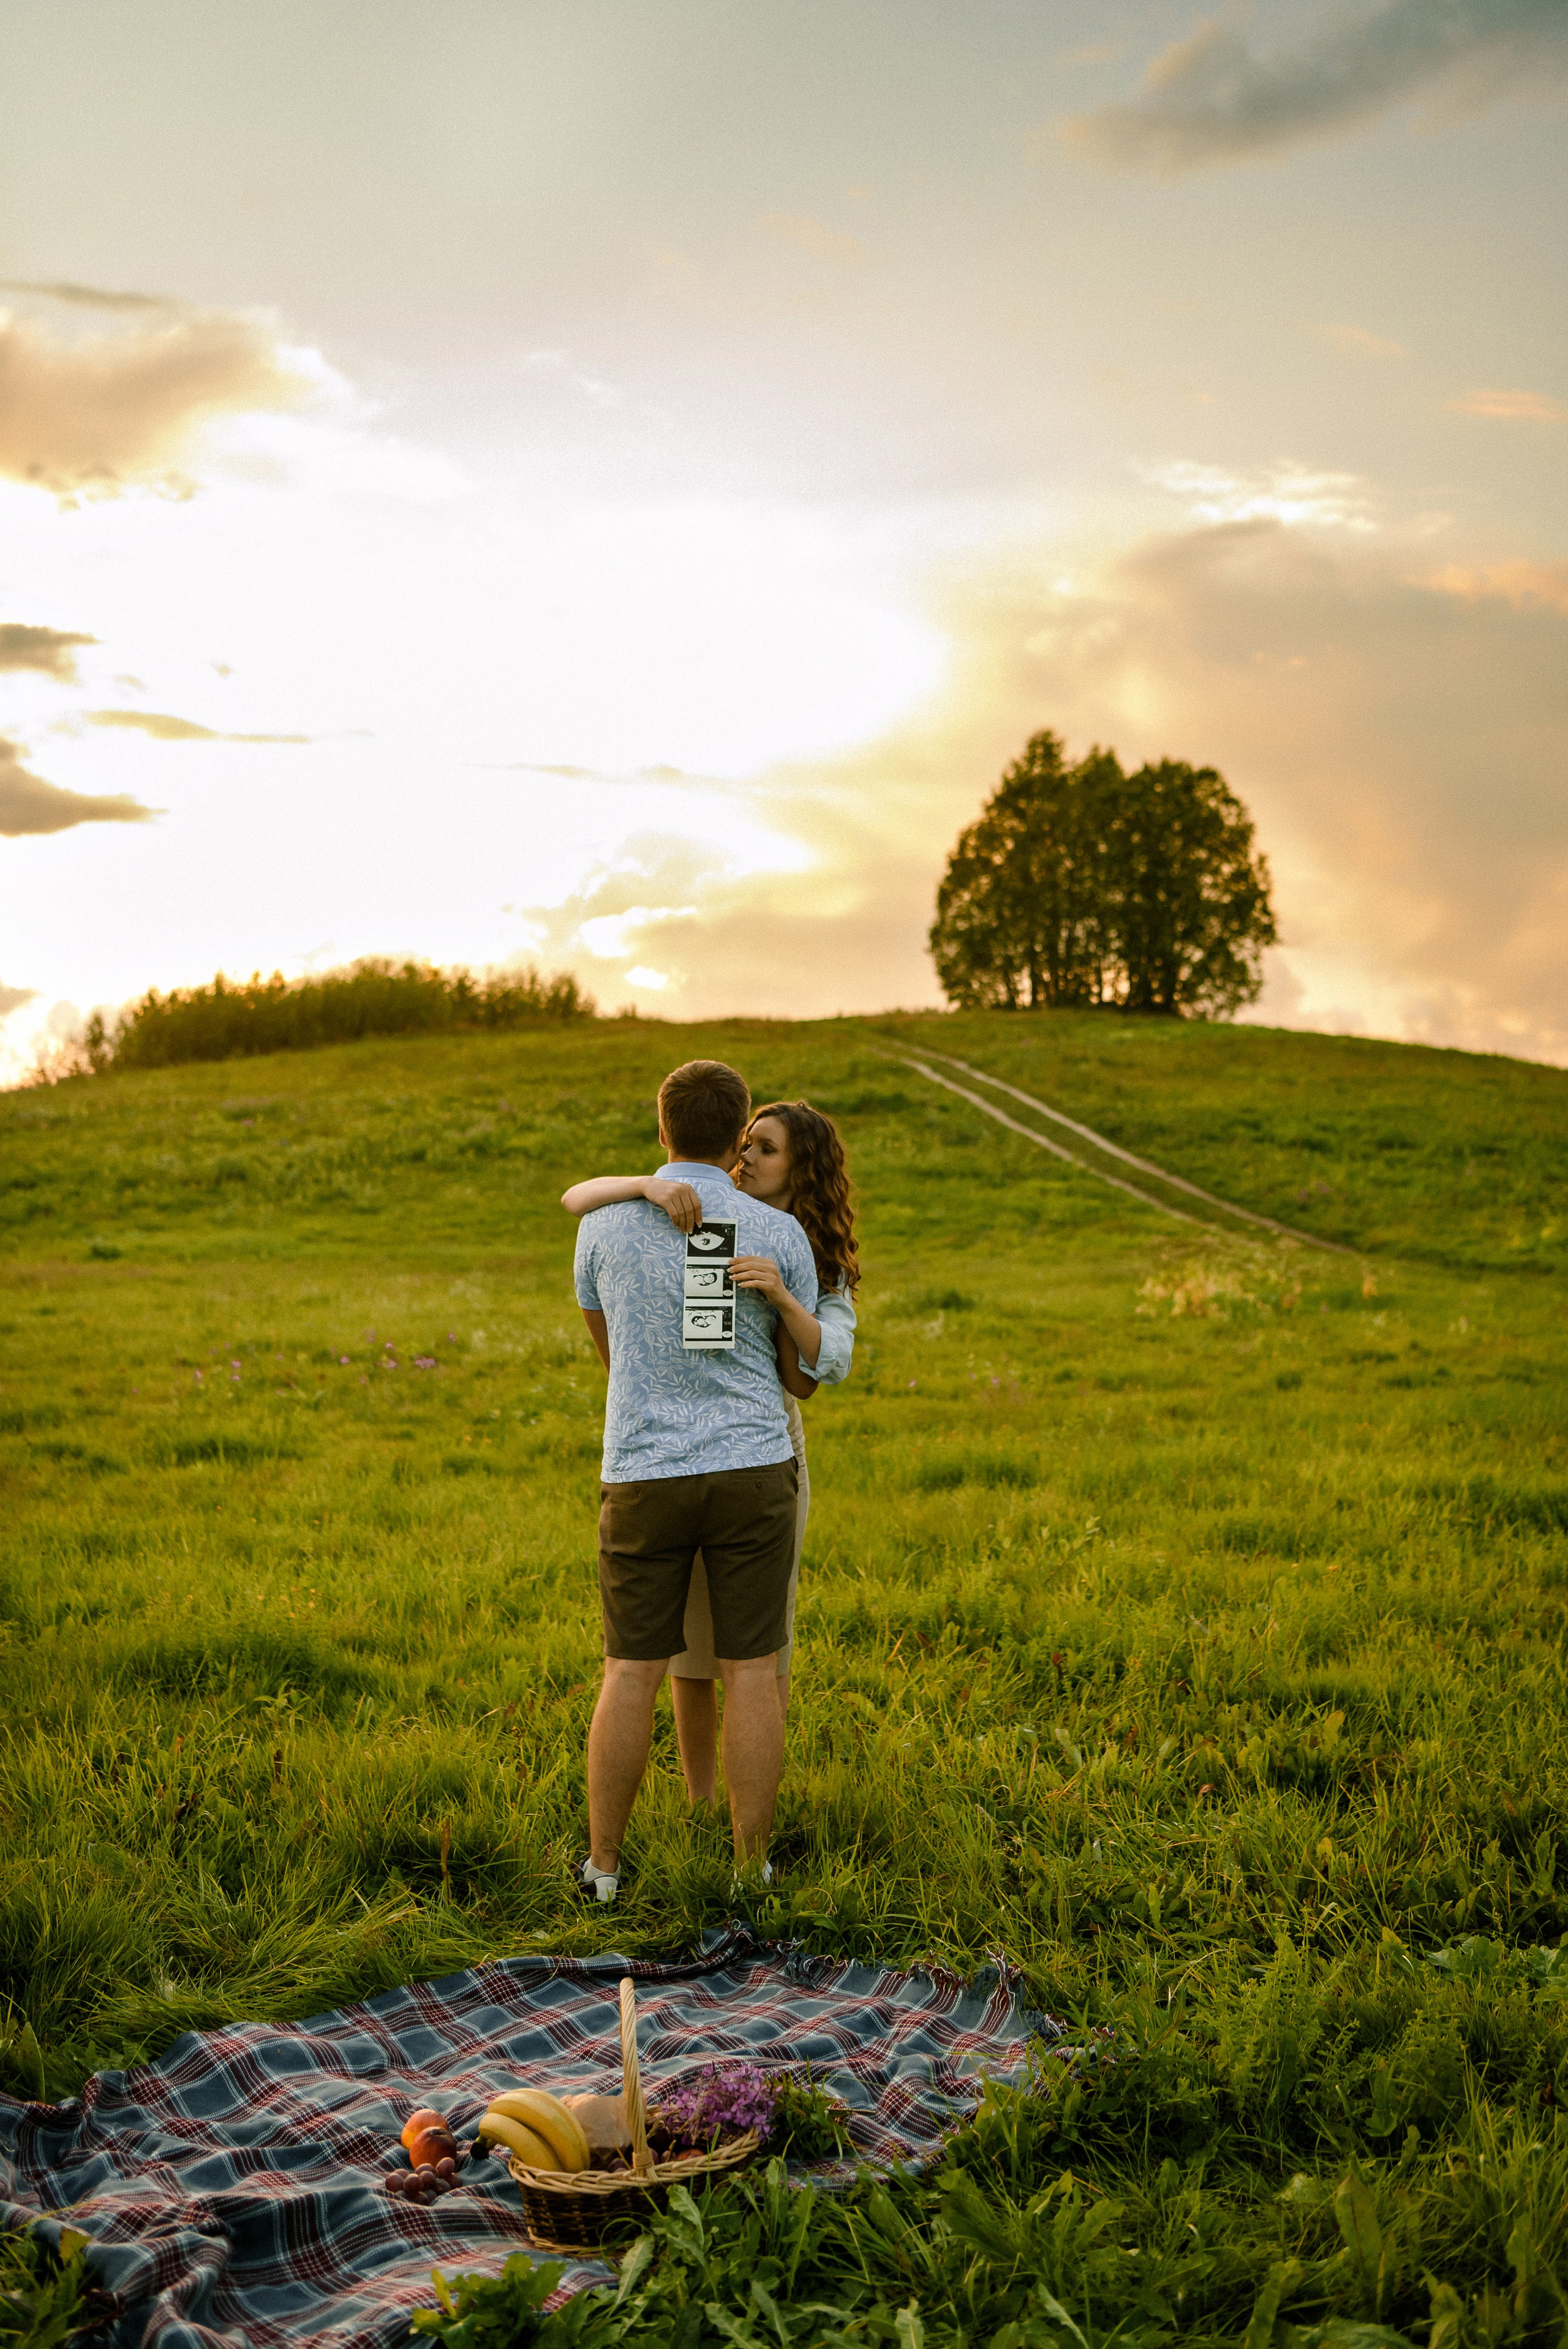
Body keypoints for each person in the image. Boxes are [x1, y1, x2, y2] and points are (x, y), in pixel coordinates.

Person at [568, 1058, 818, 1904]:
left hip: (644, 1471)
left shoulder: (600, 1228)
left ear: (661, 1126)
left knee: (630, 1669)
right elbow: (795, 1372)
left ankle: (604, 1867)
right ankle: (752, 1869)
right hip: (752, 1467)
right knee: (752, 1669)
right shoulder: (778, 1234)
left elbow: (613, 1357)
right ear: (738, 1134)